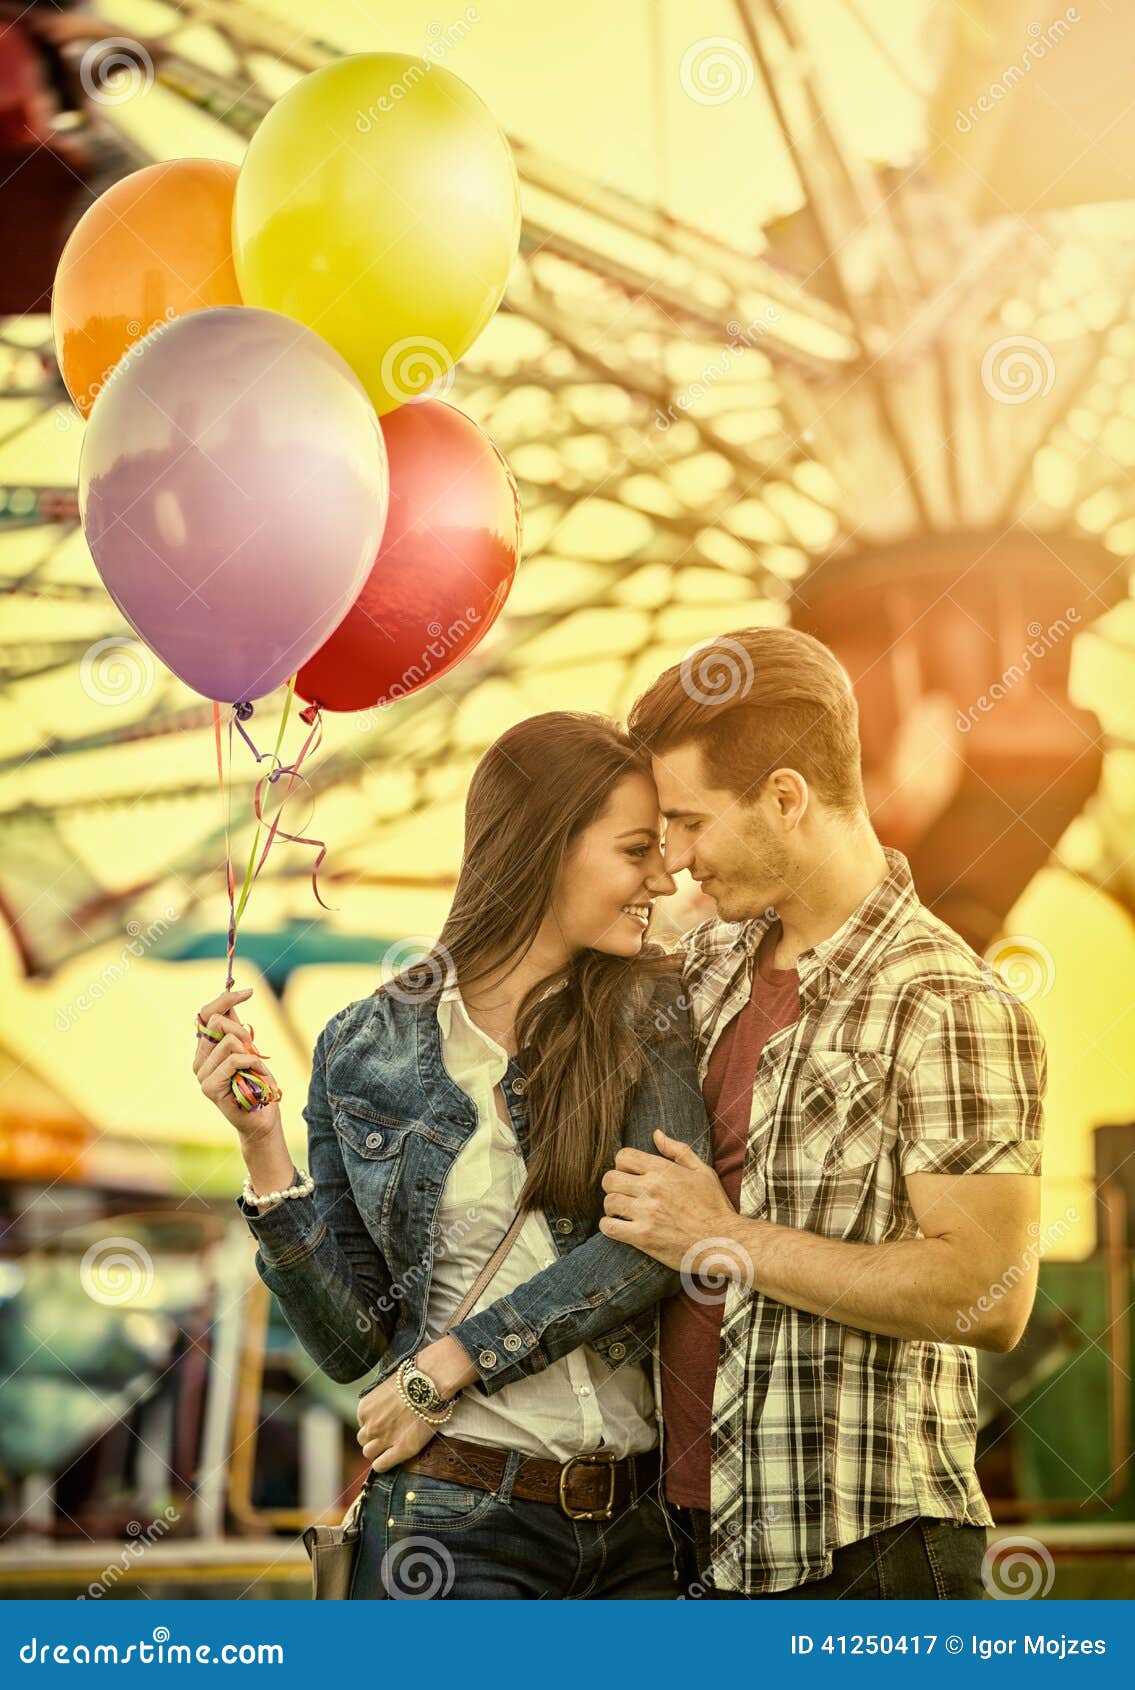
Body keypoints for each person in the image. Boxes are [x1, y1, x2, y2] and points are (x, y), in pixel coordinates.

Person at [195, 711, 710, 1599]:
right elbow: (351, 1344)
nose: (664, 878)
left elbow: (653, 1245)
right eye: (636, 851)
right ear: (546, 846)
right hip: (451, 1524)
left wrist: (450, 1361)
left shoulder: (650, 1009)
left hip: (641, 1529)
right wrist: (263, 1150)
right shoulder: (363, 1046)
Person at [593, 625, 1048, 1598]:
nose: (674, 859)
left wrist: (721, 1237)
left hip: (864, 1556)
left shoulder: (947, 1002)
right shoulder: (707, 967)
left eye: (690, 822)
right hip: (688, 1542)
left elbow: (988, 1290)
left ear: (786, 798)